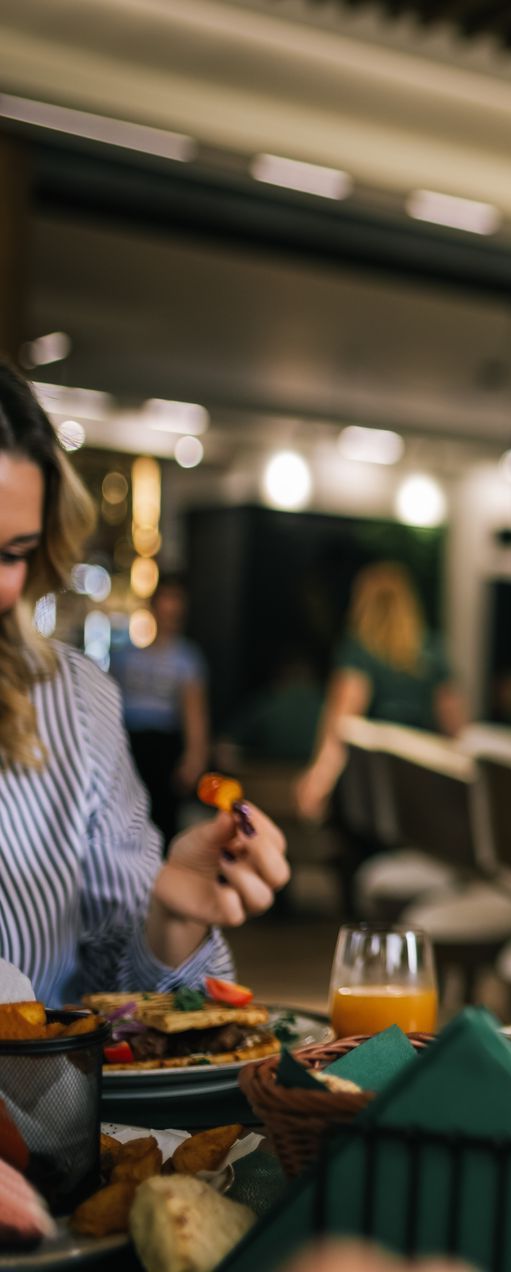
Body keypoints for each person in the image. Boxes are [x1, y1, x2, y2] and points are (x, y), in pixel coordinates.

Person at [0, 364, 289, 1004]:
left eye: (11, 553)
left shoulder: (74, 703)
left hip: (38, 1106)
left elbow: (124, 996)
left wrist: (173, 921)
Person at [293, 562, 465, 821]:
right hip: (423, 786)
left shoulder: (359, 652)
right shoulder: (434, 653)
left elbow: (343, 724)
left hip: (376, 790)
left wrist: (318, 781)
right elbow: (456, 729)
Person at [109, 575, 208, 841]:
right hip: (129, 743)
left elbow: (193, 709)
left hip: (164, 747)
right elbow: (110, 704)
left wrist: (194, 756)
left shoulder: (186, 658)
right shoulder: (126, 655)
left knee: (162, 821)